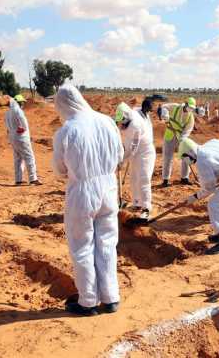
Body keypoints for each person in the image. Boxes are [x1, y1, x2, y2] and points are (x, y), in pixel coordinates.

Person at [52, 84, 124, 316]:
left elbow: (59, 169)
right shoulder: (106, 121)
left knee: (82, 246)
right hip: (108, 188)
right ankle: (111, 297)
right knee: (107, 243)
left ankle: (88, 301)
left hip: (82, 191)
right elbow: (120, 155)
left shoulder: (67, 130)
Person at [113, 102, 155, 220]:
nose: (120, 124)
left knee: (143, 178)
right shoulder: (131, 114)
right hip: (134, 152)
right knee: (133, 178)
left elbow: (133, 148)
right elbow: (138, 109)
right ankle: (137, 203)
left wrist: (123, 160)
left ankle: (146, 208)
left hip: (145, 152)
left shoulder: (135, 126)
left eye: (122, 121)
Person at [4, 94, 42, 186]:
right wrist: (23, 129)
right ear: (18, 102)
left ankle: (18, 180)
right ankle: (33, 179)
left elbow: (7, 127)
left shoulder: (8, 112)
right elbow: (24, 124)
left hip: (13, 137)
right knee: (29, 157)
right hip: (21, 137)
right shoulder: (18, 110)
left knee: (18, 158)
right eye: (21, 102)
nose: (22, 104)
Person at [160, 98, 196, 187]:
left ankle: (185, 178)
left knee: (185, 156)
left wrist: (182, 139)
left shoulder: (190, 117)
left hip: (181, 137)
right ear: (186, 104)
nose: (190, 109)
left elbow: (188, 130)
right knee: (167, 158)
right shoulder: (175, 107)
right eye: (190, 107)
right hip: (169, 135)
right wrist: (165, 114)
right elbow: (163, 106)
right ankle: (165, 179)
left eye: (192, 108)